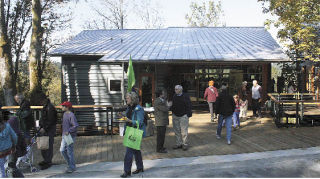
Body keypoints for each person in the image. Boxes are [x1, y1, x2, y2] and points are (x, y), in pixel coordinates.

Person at [121, 92, 146, 178]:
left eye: (127, 98)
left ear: (132, 99)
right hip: (129, 131)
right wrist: (123, 117)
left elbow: (140, 122)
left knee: (129, 152)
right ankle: (140, 167)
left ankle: (127, 171)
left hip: (135, 132)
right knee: (136, 151)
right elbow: (128, 117)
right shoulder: (129, 107)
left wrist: (129, 121)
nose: (126, 99)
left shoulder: (139, 109)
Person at [38, 93, 57, 170]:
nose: (40, 103)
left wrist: (45, 128)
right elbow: (43, 118)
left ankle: (48, 161)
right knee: (44, 145)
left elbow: (51, 120)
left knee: (48, 145)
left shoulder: (50, 107)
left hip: (49, 129)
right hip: (44, 128)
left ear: (44, 100)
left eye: (41, 101)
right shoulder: (46, 106)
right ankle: (45, 159)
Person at [170, 85, 192, 151]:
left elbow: (189, 105)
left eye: (176, 89)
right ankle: (178, 143)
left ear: (180, 90)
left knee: (184, 131)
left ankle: (184, 144)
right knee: (176, 130)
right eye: (175, 89)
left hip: (183, 115)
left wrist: (188, 114)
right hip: (175, 115)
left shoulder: (186, 96)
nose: (175, 90)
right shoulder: (174, 96)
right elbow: (172, 105)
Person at [60, 101, 79, 173]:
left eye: (63, 106)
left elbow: (75, 125)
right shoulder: (64, 114)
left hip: (70, 136)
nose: (61, 107)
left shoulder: (71, 115)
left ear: (67, 107)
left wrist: (69, 131)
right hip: (64, 136)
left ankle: (72, 167)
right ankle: (70, 164)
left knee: (70, 151)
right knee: (62, 150)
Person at [154, 89, 169, 153]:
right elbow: (164, 109)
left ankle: (161, 147)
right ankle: (159, 149)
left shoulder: (163, 100)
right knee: (160, 136)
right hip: (160, 121)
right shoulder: (157, 101)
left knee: (162, 135)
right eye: (163, 93)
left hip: (163, 120)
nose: (164, 94)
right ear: (160, 94)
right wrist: (169, 105)